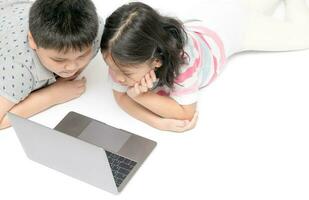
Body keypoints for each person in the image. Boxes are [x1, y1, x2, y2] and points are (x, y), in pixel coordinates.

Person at [100, 0, 309, 132]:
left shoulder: (184, 63)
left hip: (235, 28)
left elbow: (185, 113)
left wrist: (139, 96)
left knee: (303, 34)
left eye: (125, 74)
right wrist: (156, 122)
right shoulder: (119, 57)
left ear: (157, 61)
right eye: (111, 66)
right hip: (211, 15)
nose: (117, 78)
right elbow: (120, 96)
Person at [0, 0, 104, 129]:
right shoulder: (19, 69)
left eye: (82, 55)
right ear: (32, 41)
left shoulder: (97, 30)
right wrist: (52, 96)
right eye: (59, 60)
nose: (72, 67)